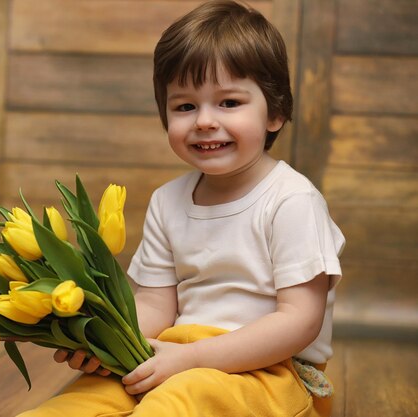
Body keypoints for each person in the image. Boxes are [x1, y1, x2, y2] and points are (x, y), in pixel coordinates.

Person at [18, 1, 345, 416]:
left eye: (228, 103)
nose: (205, 121)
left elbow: (299, 322)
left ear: (275, 112)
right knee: (87, 397)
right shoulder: (168, 201)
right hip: (176, 353)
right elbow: (156, 306)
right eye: (185, 106)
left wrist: (191, 359)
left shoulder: (292, 201)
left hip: (273, 371)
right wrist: (104, 341)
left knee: (178, 402)